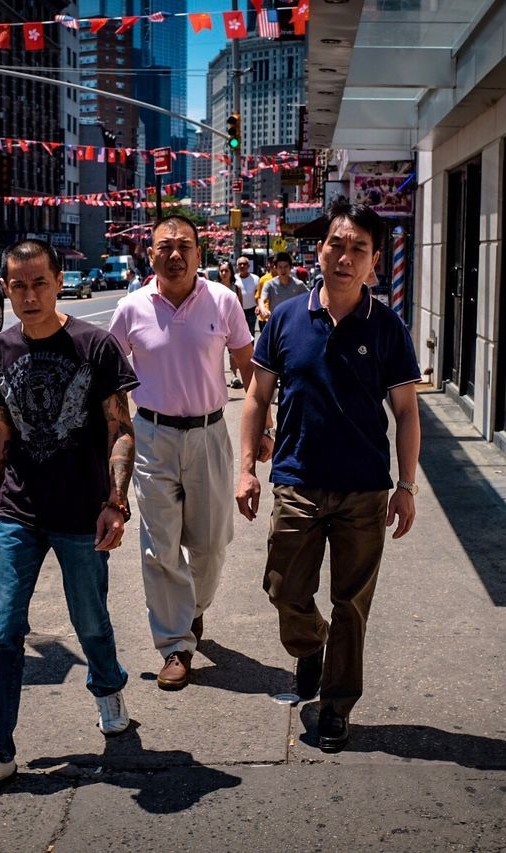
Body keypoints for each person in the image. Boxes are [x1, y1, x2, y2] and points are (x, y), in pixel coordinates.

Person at [236, 198, 422, 753]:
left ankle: (337, 705)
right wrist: (246, 468)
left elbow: (407, 410)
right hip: (296, 480)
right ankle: (310, 644)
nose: (344, 257)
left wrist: (407, 486)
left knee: (352, 604)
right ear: (319, 250)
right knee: (284, 589)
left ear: (373, 263)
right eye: (336, 245)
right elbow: (256, 394)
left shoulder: (386, 327)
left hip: (365, 489)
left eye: (358, 249)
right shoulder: (287, 318)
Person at [0, 238, 138, 807]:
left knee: (90, 620)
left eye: (39, 283)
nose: (29, 295)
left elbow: (120, 428)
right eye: (18, 286)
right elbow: (0, 429)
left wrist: (116, 500)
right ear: (5, 288)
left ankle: (108, 688)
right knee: (3, 630)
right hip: (18, 511)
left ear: (60, 281)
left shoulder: (96, 345)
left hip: (83, 513)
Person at [109, 217, 270, 690]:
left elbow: (250, 367)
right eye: (165, 247)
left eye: (185, 247)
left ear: (200, 254)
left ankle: (192, 609)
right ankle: (176, 644)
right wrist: (118, 438)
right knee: (160, 545)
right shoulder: (129, 309)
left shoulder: (222, 301)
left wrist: (264, 429)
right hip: (152, 438)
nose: (175, 255)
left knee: (211, 543)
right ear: (150, 253)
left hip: (209, 435)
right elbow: (112, 382)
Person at [216, 261, 244, 389]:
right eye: (221, 271)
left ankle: (234, 375)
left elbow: (240, 307)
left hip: (232, 324)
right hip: (217, 324)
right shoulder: (214, 287)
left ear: (231, 272)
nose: (223, 273)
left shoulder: (236, 288)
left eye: (226, 270)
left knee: (233, 351)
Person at [259, 252, 308, 319]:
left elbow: (309, 297)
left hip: (293, 321)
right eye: (280, 267)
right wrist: (263, 309)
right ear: (275, 268)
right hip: (276, 322)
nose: (283, 270)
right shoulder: (269, 284)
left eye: (285, 267)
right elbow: (262, 299)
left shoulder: (299, 285)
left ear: (290, 267)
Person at [233, 256, 259, 337]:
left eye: (244, 264)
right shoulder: (234, 279)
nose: (242, 266)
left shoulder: (255, 278)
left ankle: (251, 349)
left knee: (251, 333)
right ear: (237, 266)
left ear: (248, 266)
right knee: (238, 334)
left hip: (252, 310)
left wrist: (258, 306)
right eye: (240, 264)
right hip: (238, 311)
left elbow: (258, 295)